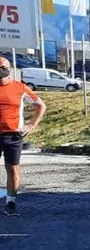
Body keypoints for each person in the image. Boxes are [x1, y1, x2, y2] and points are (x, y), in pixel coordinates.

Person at [0, 57, 46, 215]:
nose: (1, 69)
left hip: (13, 136)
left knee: (12, 169)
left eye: (3, 67)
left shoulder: (20, 88)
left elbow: (40, 105)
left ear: (10, 69)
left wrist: (32, 125)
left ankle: (10, 203)